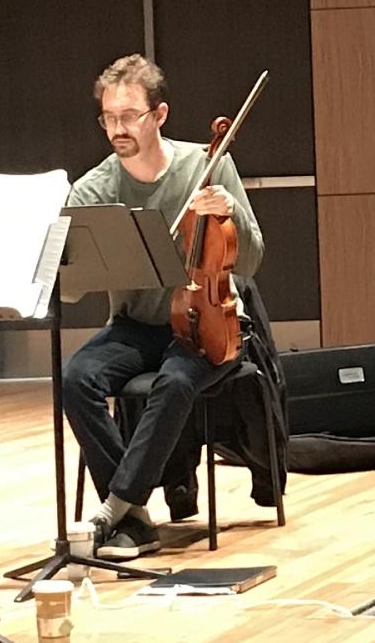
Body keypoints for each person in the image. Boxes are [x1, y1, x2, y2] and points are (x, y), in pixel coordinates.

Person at [60, 55, 264, 557]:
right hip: (135, 327)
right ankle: (136, 514)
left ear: (160, 115)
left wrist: (229, 210)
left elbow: (253, 258)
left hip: (205, 325)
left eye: (129, 115)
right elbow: (68, 288)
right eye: (108, 117)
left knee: (175, 382)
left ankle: (118, 506)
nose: (117, 128)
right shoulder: (93, 190)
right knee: (76, 377)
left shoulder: (208, 167)